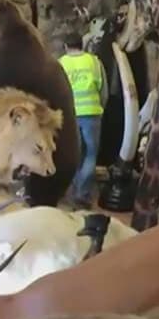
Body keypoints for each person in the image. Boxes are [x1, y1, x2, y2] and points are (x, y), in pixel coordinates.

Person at [58, 34, 108, 209]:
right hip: (92, 113)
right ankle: (83, 194)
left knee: (73, 153)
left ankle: (71, 192)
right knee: (91, 154)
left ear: (66, 46)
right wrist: (100, 108)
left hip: (70, 115)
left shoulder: (61, 63)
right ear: (82, 45)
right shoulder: (94, 62)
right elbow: (103, 90)